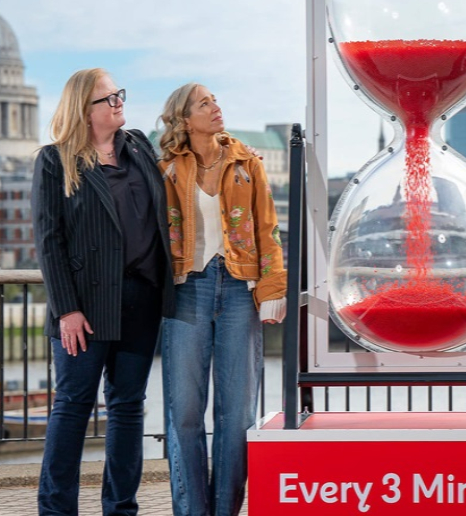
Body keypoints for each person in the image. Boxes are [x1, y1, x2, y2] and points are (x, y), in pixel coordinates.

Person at [32, 68, 175, 515]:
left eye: (119, 95)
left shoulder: (137, 146)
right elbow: (48, 240)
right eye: (108, 99)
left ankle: (121, 508)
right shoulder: (55, 160)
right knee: (73, 408)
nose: (118, 103)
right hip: (85, 307)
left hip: (141, 297)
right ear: (84, 109)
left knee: (129, 407)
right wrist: (66, 310)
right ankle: (56, 510)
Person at [158, 83, 287, 516]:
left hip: (238, 290)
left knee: (237, 415)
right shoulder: (166, 167)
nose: (216, 107)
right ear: (183, 118)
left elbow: (268, 230)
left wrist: (273, 289)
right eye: (204, 103)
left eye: (215, 100)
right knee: (186, 413)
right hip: (185, 288)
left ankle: (226, 509)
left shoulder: (247, 162)